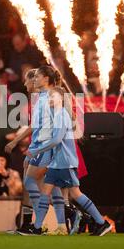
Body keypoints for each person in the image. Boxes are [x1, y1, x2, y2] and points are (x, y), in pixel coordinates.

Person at [18, 87, 112, 236]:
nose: (50, 99)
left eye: (53, 97)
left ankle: (101, 222)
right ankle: (37, 227)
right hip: (58, 163)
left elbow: (56, 139)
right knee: (46, 193)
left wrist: (36, 151)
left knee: (76, 194)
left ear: (61, 99)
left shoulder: (61, 115)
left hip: (65, 163)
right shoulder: (58, 115)